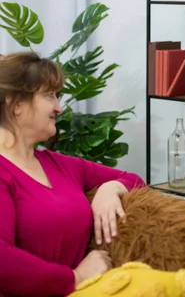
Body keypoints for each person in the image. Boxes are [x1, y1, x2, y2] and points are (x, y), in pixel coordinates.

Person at [0, 52, 146, 297]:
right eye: (49, 95)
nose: (58, 107)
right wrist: (75, 277)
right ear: (16, 105)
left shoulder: (63, 166)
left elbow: (135, 180)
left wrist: (110, 188)